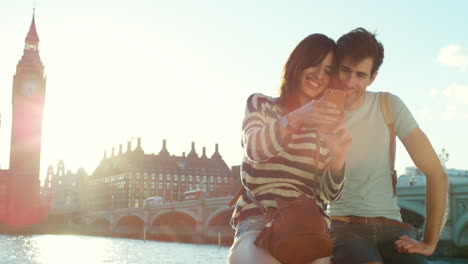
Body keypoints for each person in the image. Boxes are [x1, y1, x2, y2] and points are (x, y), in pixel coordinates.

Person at [227, 33, 352, 264]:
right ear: (299, 63)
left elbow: (328, 194)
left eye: (327, 70)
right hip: (259, 222)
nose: (319, 75)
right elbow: (254, 148)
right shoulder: (261, 104)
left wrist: (337, 158)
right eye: (315, 63)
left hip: (308, 231)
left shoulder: (326, 129)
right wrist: (296, 118)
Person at [328, 27, 449, 264]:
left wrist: (429, 242)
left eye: (361, 75)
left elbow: (436, 173)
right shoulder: (321, 111)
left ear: (372, 77)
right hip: (344, 229)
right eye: (345, 70)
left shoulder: (388, 105)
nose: (350, 82)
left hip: (393, 231)